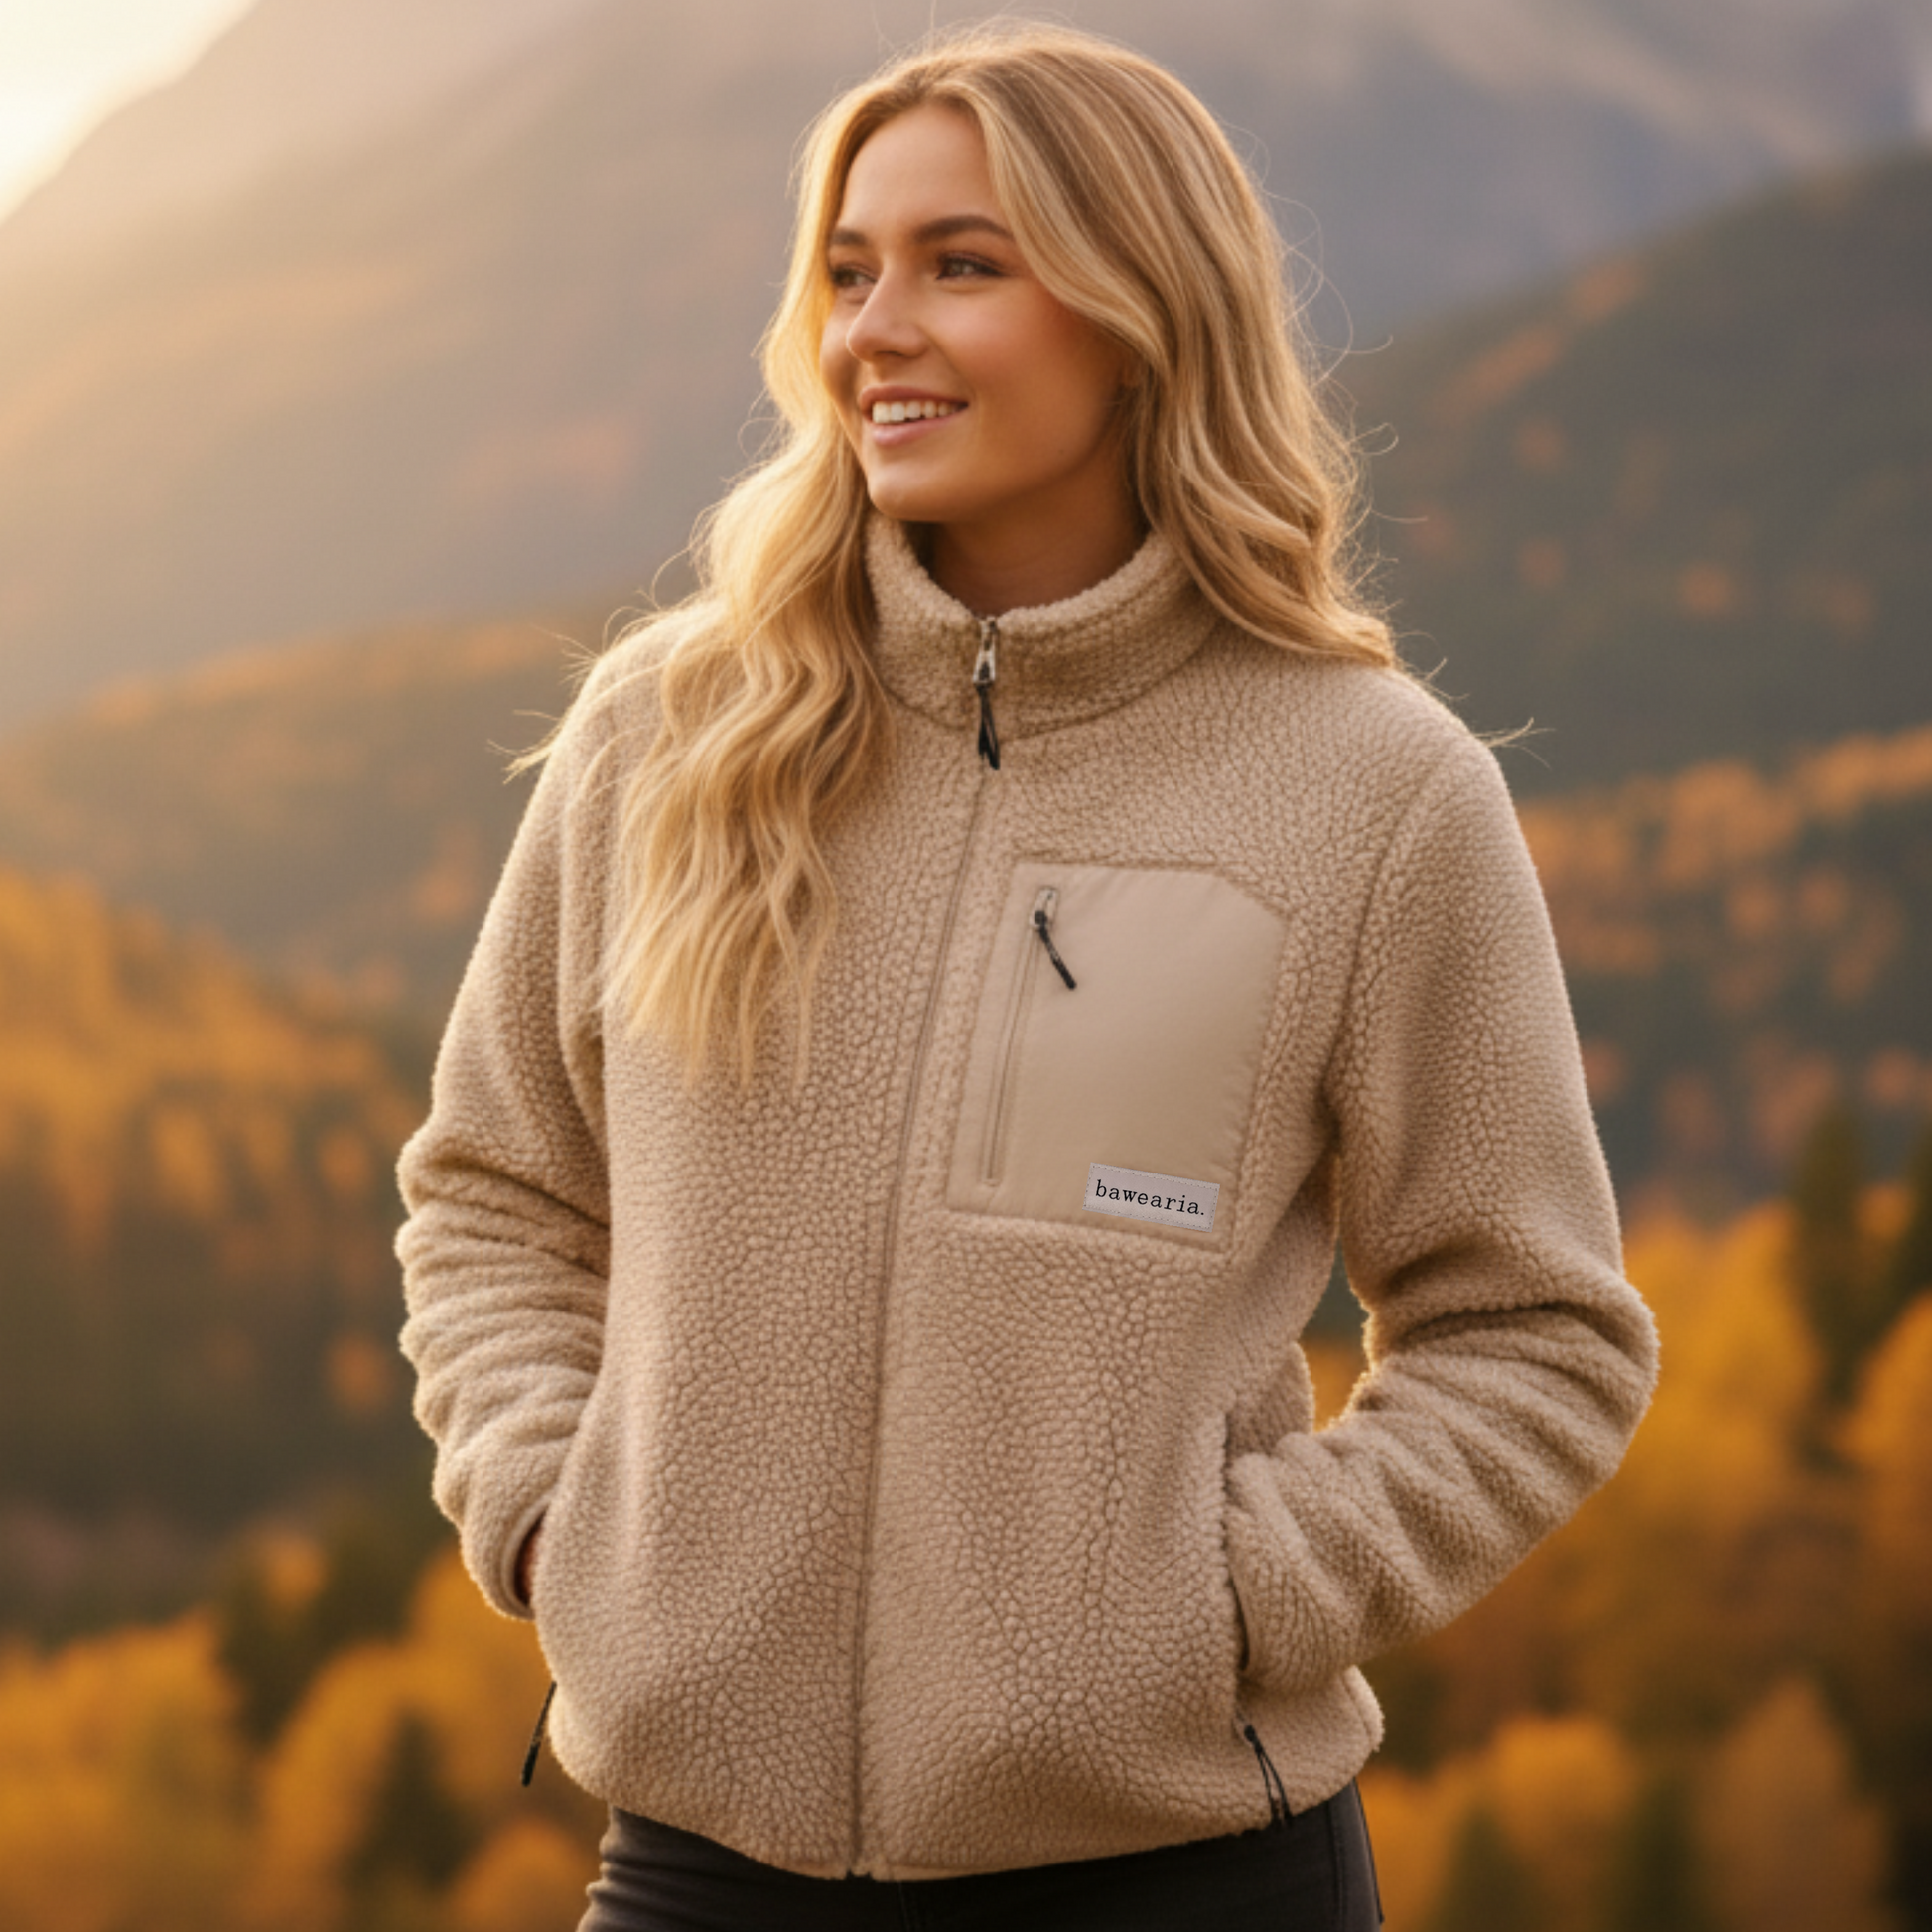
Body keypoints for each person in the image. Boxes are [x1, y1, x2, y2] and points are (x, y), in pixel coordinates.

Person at [395, 21, 1659, 1930]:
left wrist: (1229, 1600)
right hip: (693, 1871)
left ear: (1142, 309)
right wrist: (568, 1523)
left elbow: (1536, 1327)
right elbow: (494, 1191)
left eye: (959, 264)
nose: (872, 330)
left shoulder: (1374, 789)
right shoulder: (667, 733)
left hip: (1174, 1877)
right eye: (848, 271)